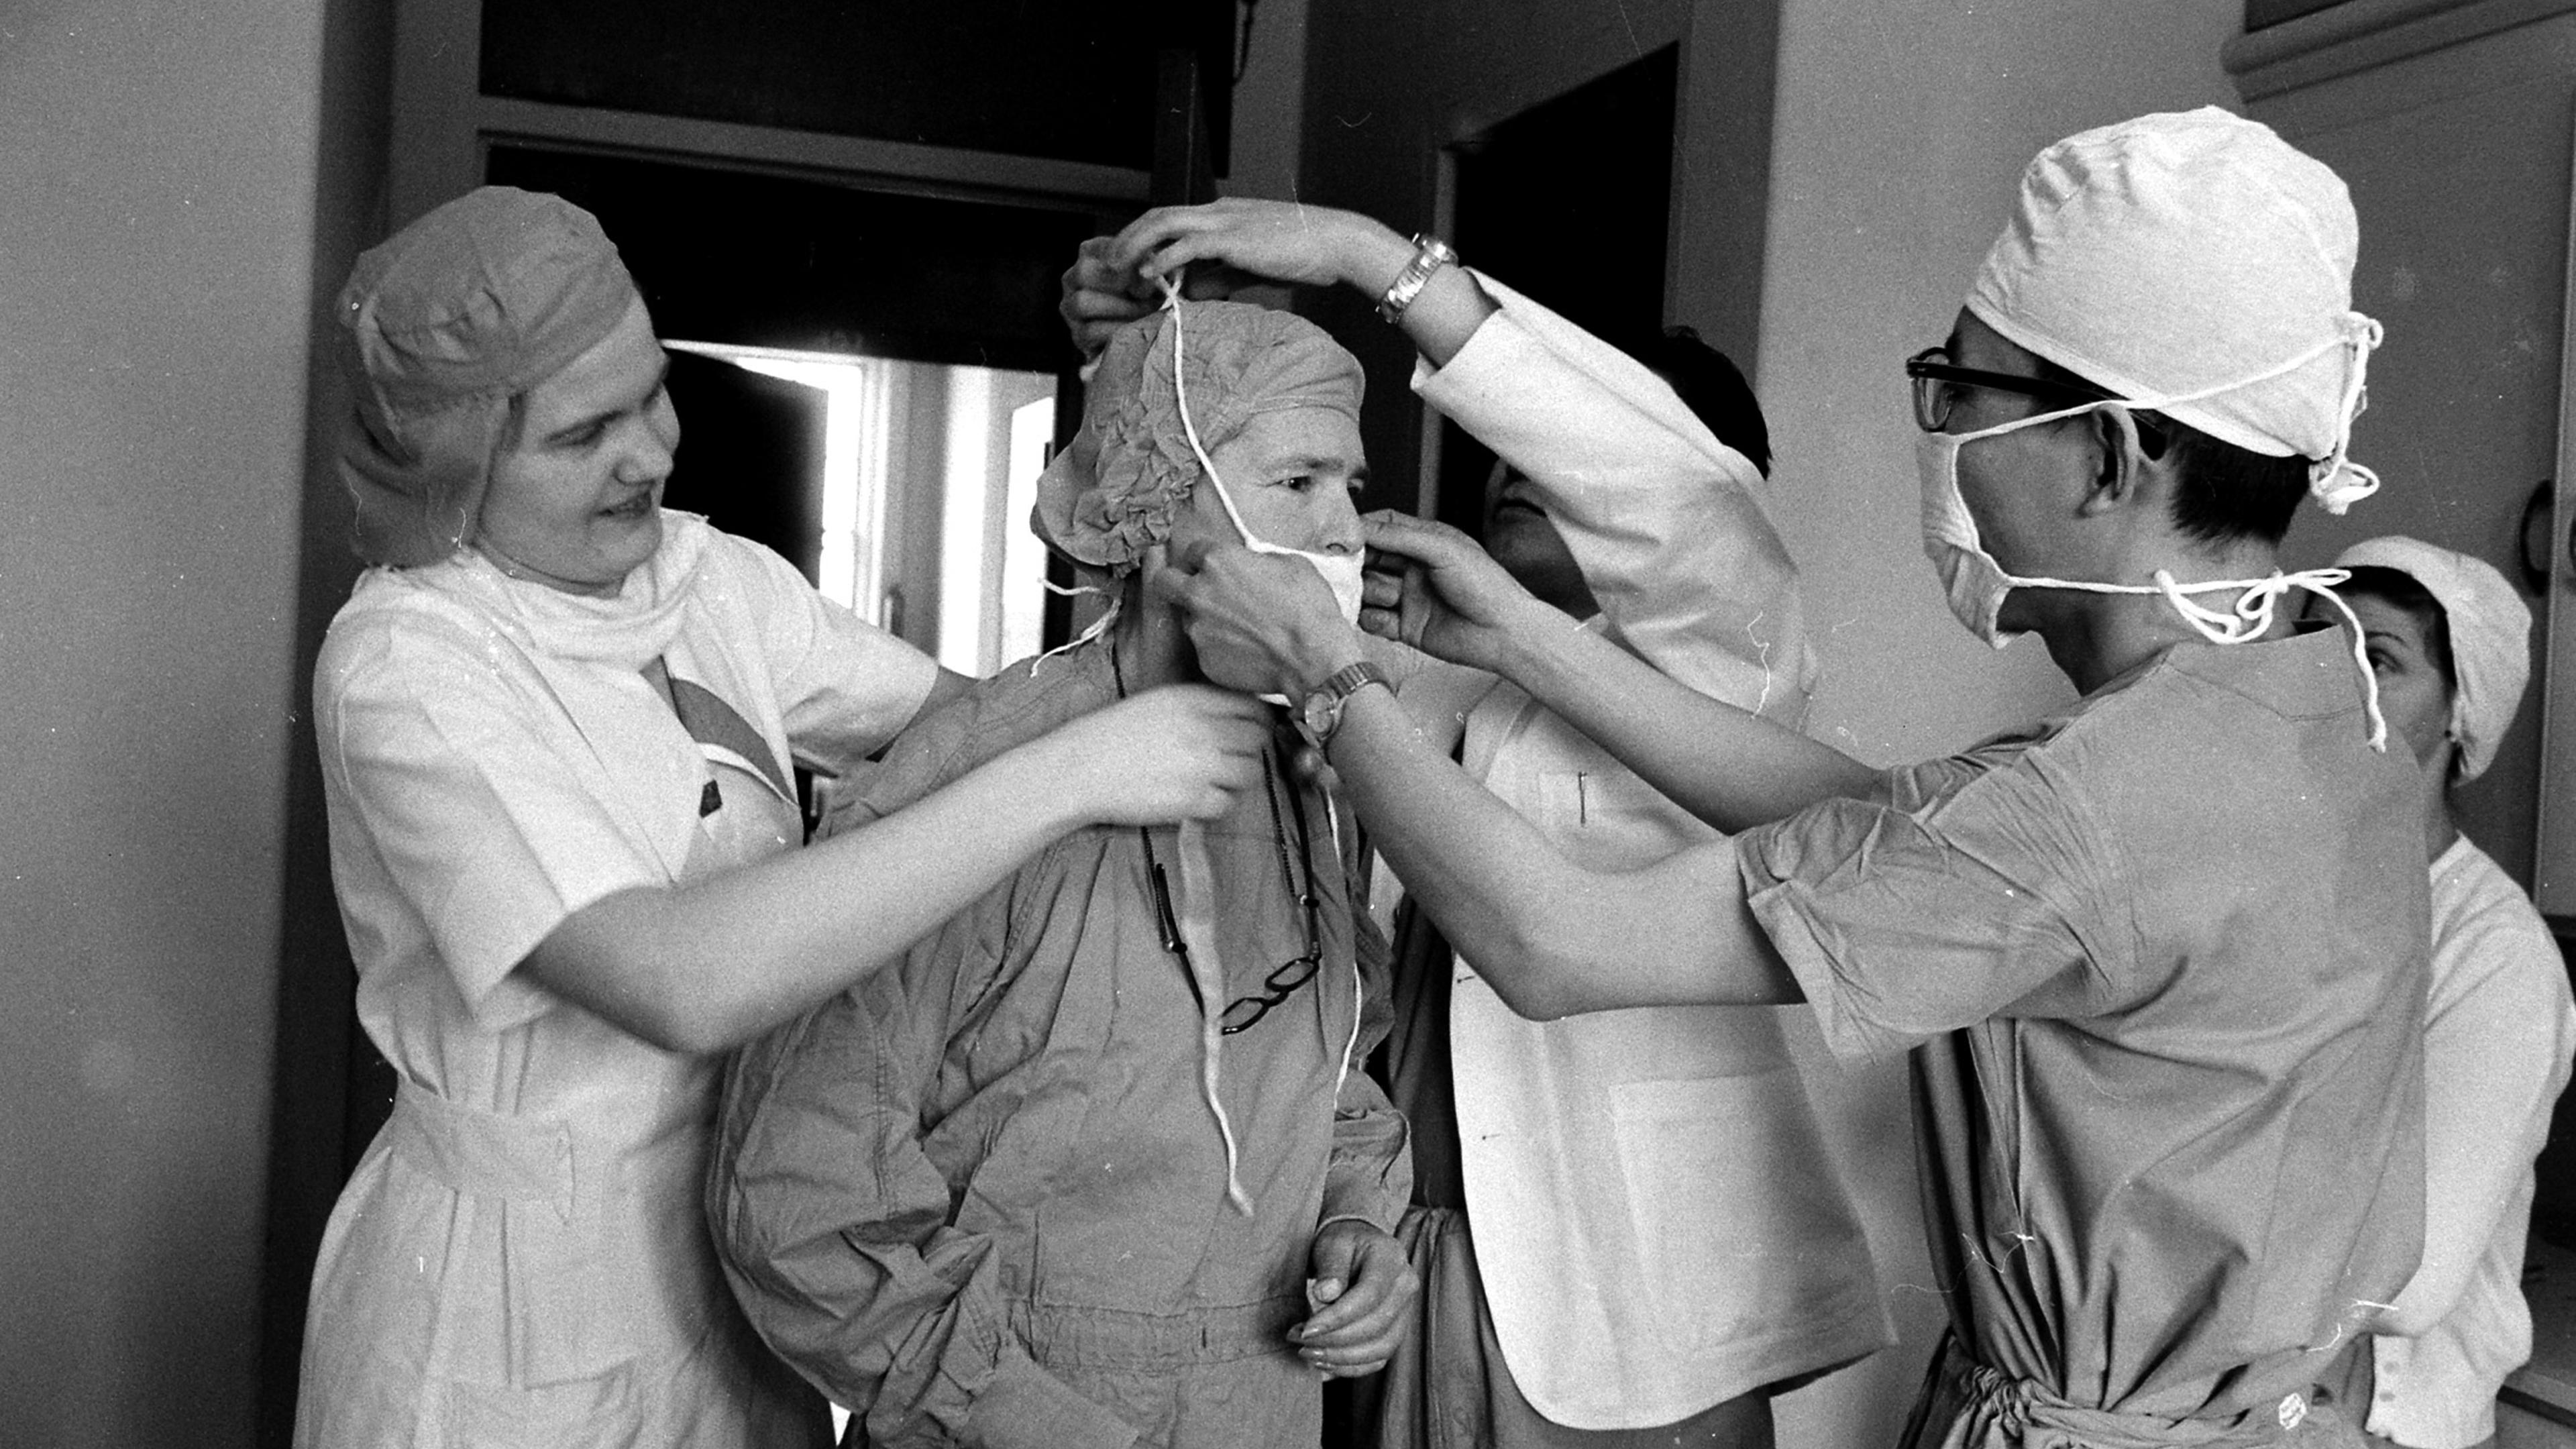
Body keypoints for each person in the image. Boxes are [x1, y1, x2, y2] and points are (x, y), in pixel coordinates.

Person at [1153, 108, 2432, 1448]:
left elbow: (1554, 944)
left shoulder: (2099, 804)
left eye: (1960, 391)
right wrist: (1527, 639)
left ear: (2107, 456)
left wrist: (1325, 672)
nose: (1936, 433)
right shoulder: (2317, 702)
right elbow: (1895, 824)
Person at [293, 186, 1269, 1449]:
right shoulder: (408, 665)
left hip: (749, 1263)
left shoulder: (709, 581)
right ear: (457, 466)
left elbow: (980, 728)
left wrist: (1148, 398)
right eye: (583, 435)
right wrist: (1073, 775)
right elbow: (680, 980)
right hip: (509, 1313)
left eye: (650, 393)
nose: (649, 454)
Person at [1060, 201, 1890, 1449]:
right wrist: (1140, 348)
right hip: (1380, 1265)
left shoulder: (1735, 660)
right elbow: (1190, 550)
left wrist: (1360, 256)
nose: (1512, 463)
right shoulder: (1397, 668)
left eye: (1553, 445)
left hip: (1626, 1309)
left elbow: (1680, 492)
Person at [706, 294, 1419, 1449]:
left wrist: (1356, 1227)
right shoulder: (975, 782)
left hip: (1258, 1404)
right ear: (1157, 507)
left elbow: (1326, 1069)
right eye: (1299, 482)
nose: (1345, 533)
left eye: (1352, 484)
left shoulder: (1309, 781)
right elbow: (800, 1199)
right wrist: (1027, 1419)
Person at [2312, 539, 2575, 1449]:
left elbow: (2407, 1279)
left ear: (2461, 709)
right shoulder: (2272, 899)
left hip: (2389, 1425)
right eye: (2314, 644)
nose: (2331, 680)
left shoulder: (2497, 955)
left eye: (2379, 658)